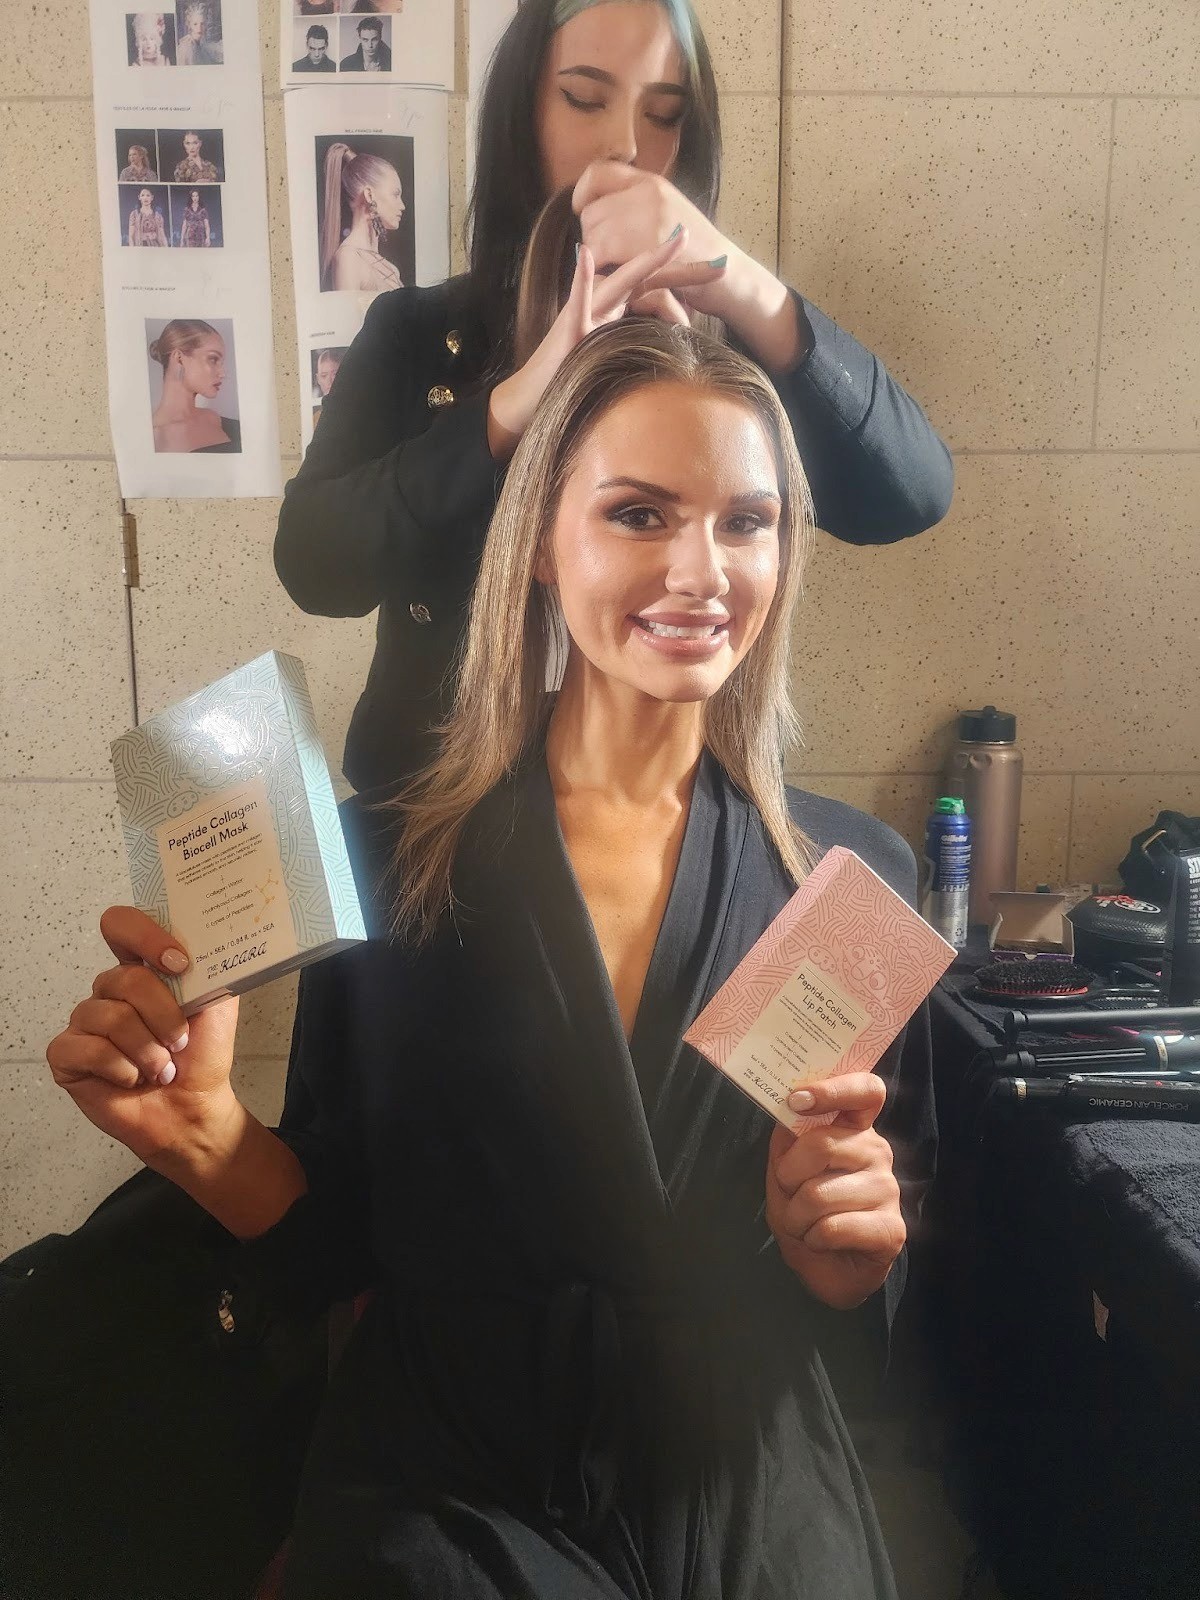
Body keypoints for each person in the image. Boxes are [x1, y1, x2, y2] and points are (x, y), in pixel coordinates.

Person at [47, 316, 933, 1598]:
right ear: (540, 545)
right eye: (639, 514)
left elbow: (868, 1292)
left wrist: (846, 1262)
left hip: (743, 1469)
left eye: (748, 522)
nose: (702, 569)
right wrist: (205, 1140)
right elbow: (345, 1247)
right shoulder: (383, 862)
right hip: (449, 1474)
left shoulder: (851, 884)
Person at [275, 0, 954, 797]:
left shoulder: (719, 352)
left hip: (673, 806)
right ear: (522, 112)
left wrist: (740, 283)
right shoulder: (421, 331)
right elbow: (316, 568)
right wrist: (513, 406)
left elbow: (909, 496)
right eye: (585, 98)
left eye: (664, 114)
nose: (628, 146)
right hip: (439, 804)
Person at [319, 143, 405, 294]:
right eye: (395, 195)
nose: (402, 206)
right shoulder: (348, 259)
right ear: (369, 195)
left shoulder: (392, 270)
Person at [148, 319, 240, 453]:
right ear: (179, 359)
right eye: (213, 359)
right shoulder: (154, 439)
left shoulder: (215, 419)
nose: (222, 374)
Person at [176, 1, 223, 66]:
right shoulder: (187, 48)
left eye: (202, 23)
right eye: (195, 24)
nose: (199, 28)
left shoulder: (201, 44)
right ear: (190, 25)